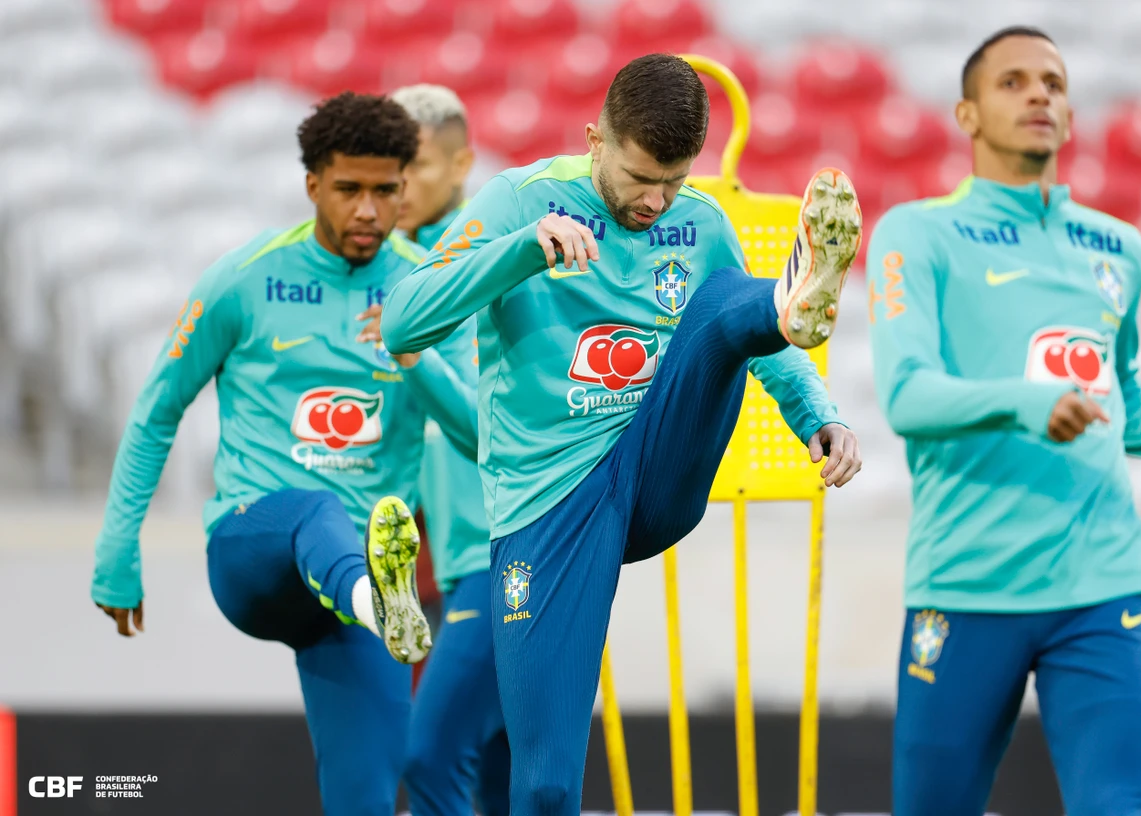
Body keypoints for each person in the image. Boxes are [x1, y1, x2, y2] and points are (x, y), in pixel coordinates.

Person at [379, 54, 864, 814]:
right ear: (595, 138)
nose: (657, 200)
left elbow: (757, 350)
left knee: (720, 316)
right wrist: (522, 252)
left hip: (655, 467)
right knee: (542, 786)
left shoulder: (696, 220)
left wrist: (820, 416)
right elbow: (404, 320)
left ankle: (788, 295)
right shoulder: (522, 200)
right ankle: (777, 300)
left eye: (675, 178)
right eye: (642, 177)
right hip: (551, 504)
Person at [866, 26, 1141, 816]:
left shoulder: (1117, 246)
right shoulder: (916, 233)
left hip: (1103, 585)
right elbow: (907, 397)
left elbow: (1121, 405)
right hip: (968, 581)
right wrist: (1026, 402)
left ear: (1073, 116)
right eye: (1012, 82)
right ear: (967, 115)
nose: (1039, 95)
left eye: (1052, 82)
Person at [91, 92, 436, 816]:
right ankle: (375, 599)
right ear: (312, 184)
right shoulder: (244, 279)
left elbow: (473, 431)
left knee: (368, 799)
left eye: (385, 190)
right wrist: (118, 552)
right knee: (315, 509)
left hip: (360, 589)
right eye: (349, 190)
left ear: (407, 185)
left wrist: (415, 359)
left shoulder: (427, 288)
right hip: (257, 553)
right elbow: (158, 410)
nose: (368, 211)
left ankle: (372, 601)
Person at [367, 82, 511, 816]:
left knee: (430, 758)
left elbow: (486, 430)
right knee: (499, 776)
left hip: (506, 550)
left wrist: (408, 353)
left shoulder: (490, 268)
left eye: (413, 166)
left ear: (463, 166)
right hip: (452, 560)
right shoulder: (389, 270)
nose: (395, 185)